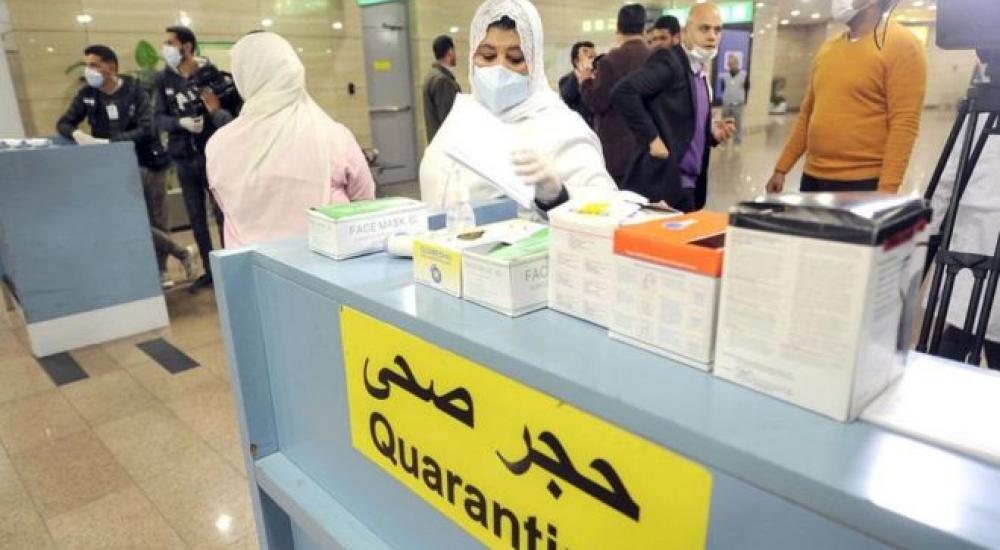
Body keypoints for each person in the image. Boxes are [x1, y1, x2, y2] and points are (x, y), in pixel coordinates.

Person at [419, 0, 616, 212]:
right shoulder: (464, 116)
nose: (499, 68)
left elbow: (607, 207)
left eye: (515, 58)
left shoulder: (563, 128)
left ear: (534, 64)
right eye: (487, 56)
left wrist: (558, 195)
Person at [207, 33, 375, 249]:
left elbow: (225, 206)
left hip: (249, 266)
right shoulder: (332, 135)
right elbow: (365, 203)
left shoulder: (218, 145)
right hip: (326, 262)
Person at [57, 44, 194, 288]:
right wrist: (77, 134)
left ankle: (161, 270)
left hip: (149, 163)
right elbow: (64, 123)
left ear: (111, 67)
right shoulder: (88, 95)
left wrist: (108, 143)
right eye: (87, 65)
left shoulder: (136, 91)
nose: (89, 70)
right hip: (114, 169)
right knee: (131, 219)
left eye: (94, 64)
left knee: (157, 218)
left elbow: (146, 129)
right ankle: (180, 252)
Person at [766, 0, 926, 194]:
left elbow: (904, 123)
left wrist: (886, 191)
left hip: (862, 182)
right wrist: (782, 168)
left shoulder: (901, 44)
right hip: (813, 178)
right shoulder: (827, 50)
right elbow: (807, 115)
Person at [612, 3, 735, 212]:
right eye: (704, 28)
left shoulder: (699, 71)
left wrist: (712, 134)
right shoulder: (670, 62)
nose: (712, 36)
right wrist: (652, 139)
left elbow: (684, 121)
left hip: (689, 185)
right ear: (686, 31)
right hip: (665, 184)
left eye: (717, 30)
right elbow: (624, 91)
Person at [154, 25, 237, 291]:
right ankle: (209, 270)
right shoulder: (164, 79)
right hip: (183, 157)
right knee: (196, 217)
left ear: (187, 46)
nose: (166, 48)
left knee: (221, 212)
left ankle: (229, 265)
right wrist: (180, 123)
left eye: (171, 42)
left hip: (211, 154)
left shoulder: (208, 74)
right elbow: (158, 118)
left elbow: (225, 107)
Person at [929, 116, 1000, 370]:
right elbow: (951, 173)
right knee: (964, 332)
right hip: (971, 239)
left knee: (964, 332)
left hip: (970, 237)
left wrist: (930, 228)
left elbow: (950, 175)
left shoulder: (981, 111)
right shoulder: (980, 113)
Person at [579, 4, 650, 185]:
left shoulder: (610, 60)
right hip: (649, 151)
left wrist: (585, 81)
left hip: (617, 153)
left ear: (618, 28)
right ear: (644, 28)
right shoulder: (654, 58)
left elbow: (598, 102)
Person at [423, 35, 462, 142]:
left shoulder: (432, 75)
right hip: (446, 145)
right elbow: (449, 120)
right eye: (454, 51)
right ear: (450, 52)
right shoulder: (443, 81)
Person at [558, 41, 596, 127]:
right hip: (578, 127)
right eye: (589, 57)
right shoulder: (566, 80)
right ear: (576, 61)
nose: (593, 60)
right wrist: (582, 73)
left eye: (594, 57)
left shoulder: (599, 77)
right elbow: (567, 97)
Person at [719, 52, 748, 145]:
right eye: (729, 63)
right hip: (727, 103)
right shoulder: (725, 76)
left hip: (738, 104)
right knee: (725, 124)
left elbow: (747, 87)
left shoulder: (744, 75)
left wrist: (740, 97)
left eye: (733, 63)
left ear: (737, 63)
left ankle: (737, 143)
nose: (731, 65)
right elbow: (723, 88)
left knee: (737, 124)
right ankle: (724, 141)